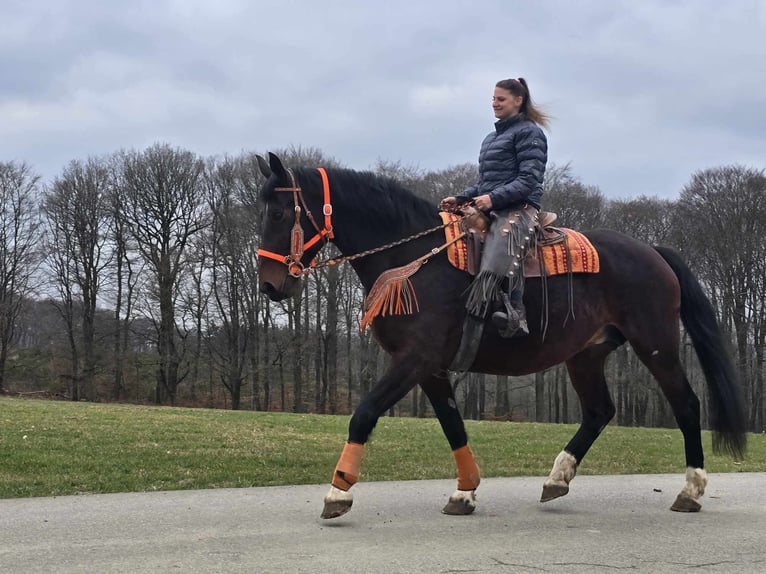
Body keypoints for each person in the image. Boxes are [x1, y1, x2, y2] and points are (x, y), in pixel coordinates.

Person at [441, 78, 549, 337]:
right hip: (494, 204)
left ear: (518, 100)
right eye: (493, 98)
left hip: (520, 206)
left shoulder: (530, 133)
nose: (494, 103)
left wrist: (493, 199)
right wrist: (461, 198)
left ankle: (516, 312)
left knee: (500, 246)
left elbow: (528, 179)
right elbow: (485, 183)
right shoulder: (492, 138)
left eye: (500, 99)